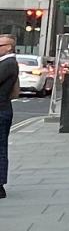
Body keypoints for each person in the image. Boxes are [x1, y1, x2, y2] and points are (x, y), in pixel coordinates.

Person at [0, 34, 18, 199]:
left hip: (1, 110)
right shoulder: (6, 63)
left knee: (0, 149)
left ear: (8, 47)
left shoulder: (8, 63)